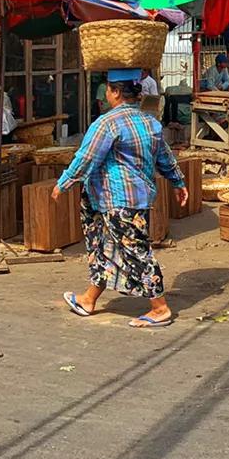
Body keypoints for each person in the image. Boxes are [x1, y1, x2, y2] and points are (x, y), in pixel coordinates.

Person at [54, 69, 187, 327]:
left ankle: (159, 308)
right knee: (105, 247)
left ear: (115, 92)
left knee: (136, 251)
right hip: (133, 199)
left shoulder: (107, 123)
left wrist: (64, 183)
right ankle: (88, 299)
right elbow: (165, 158)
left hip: (116, 200)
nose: (106, 93)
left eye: (108, 88)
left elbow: (87, 158)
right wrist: (178, 181)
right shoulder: (150, 122)